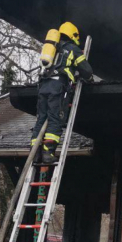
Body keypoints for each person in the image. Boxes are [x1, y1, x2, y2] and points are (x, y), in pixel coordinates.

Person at [32, 21, 94, 165]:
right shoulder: (72, 49)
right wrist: (89, 78)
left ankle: (35, 153)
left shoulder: (52, 49)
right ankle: (48, 152)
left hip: (43, 86)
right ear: (73, 35)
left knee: (41, 118)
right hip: (57, 87)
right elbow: (86, 70)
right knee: (55, 118)